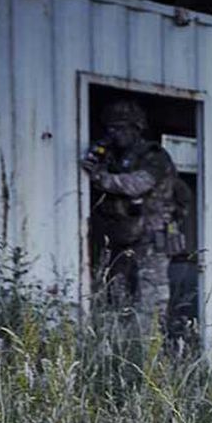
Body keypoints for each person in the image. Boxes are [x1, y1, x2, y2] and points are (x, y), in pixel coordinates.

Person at [81, 99, 184, 337]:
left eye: (120, 127)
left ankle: (150, 352)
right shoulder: (116, 157)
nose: (114, 134)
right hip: (124, 236)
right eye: (110, 128)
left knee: (151, 297)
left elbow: (137, 185)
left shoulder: (154, 155)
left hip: (153, 235)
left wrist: (99, 176)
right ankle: (123, 349)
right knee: (116, 294)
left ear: (136, 127)